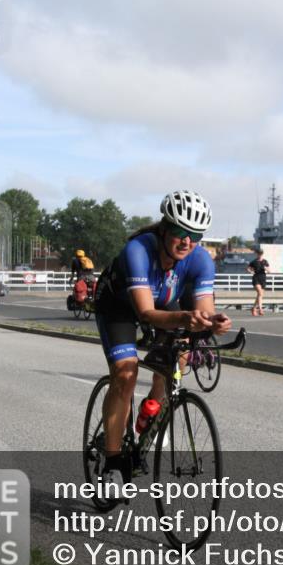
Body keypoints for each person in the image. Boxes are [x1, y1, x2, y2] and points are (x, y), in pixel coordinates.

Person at [93, 190, 231, 488]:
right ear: (165, 227)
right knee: (125, 374)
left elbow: (203, 311)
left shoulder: (201, 260)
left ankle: (150, 412)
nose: (187, 241)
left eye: (195, 235)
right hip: (119, 306)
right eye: (181, 232)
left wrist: (213, 323)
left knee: (178, 360)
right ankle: (113, 464)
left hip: (163, 304)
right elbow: (145, 313)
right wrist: (185, 318)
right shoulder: (138, 251)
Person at [247, 248, 269, 316]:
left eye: (261, 253)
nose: (260, 254)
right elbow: (248, 268)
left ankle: (253, 308)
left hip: (263, 278)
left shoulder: (265, 261)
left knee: (260, 295)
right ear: (257, 254)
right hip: (256, 278)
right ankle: (260, 309)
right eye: (259, 253)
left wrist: (266, 269)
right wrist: (251, 272)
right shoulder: (254, 261)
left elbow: (270, 271)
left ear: (262, 254)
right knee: (259, 293)